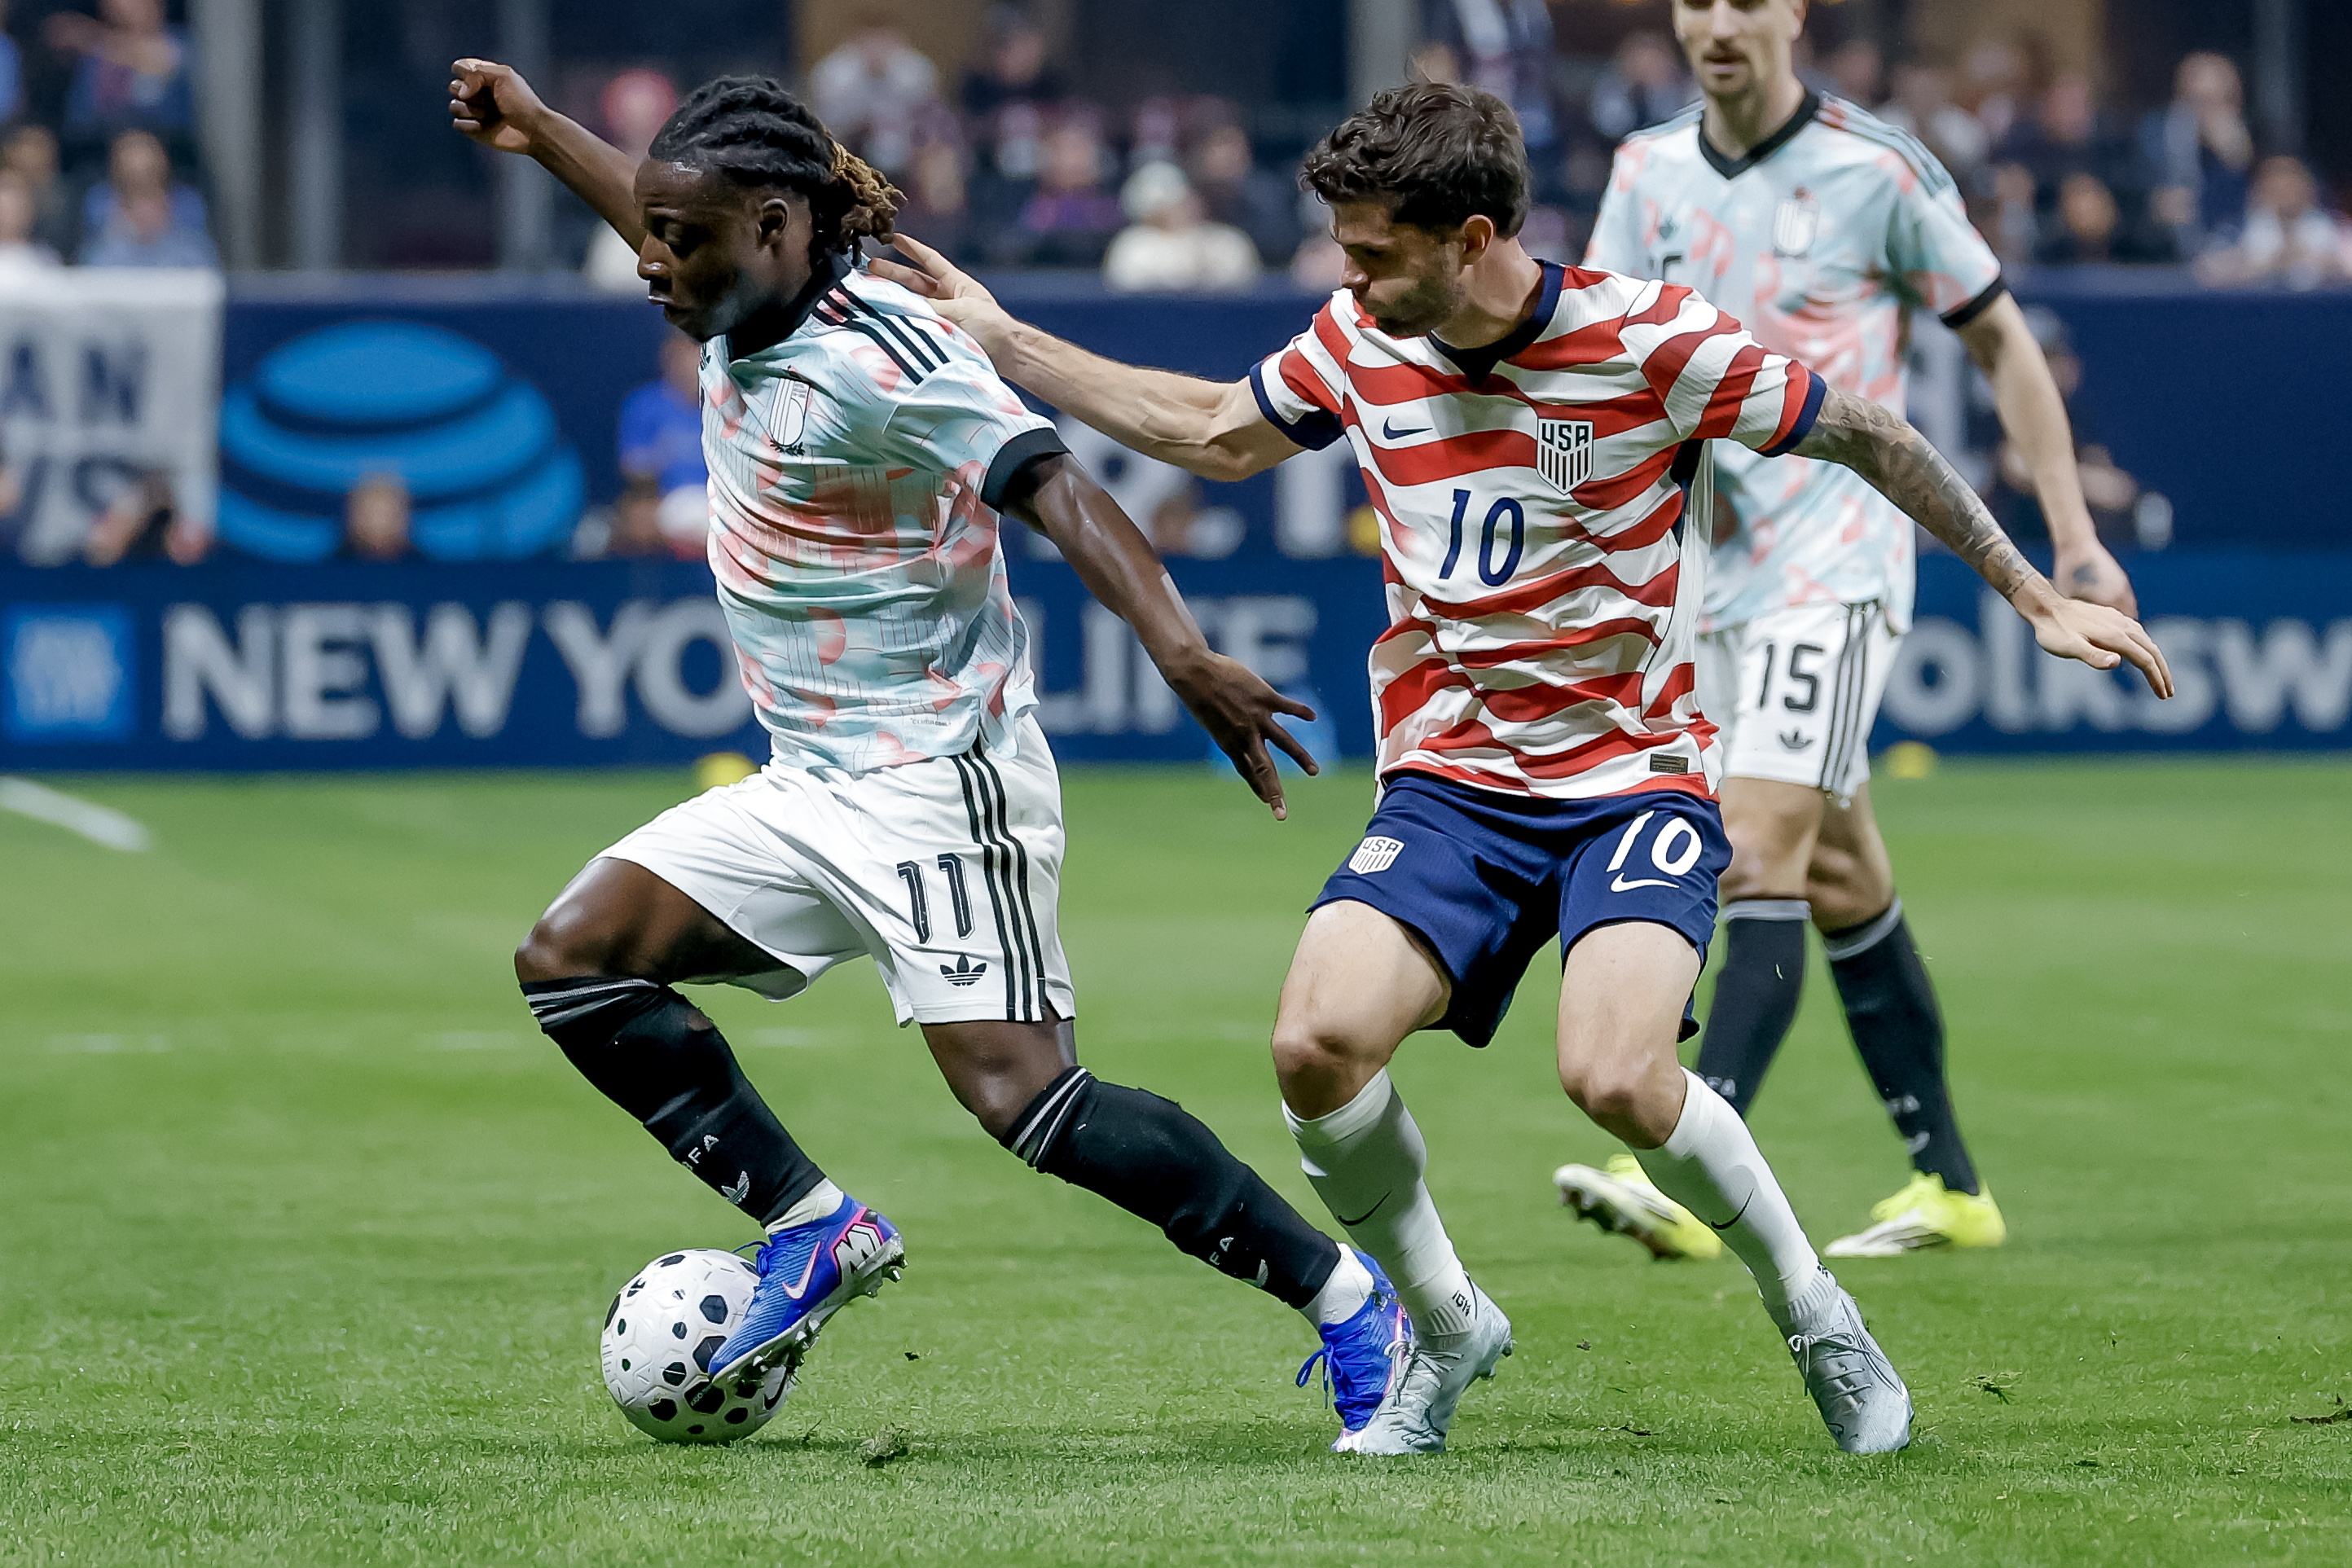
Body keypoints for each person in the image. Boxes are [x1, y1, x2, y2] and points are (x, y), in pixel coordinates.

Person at [877, 81, 2170, 1456]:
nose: (1345, 276)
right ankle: (1446, 1327)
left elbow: (1873, 434)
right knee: (1313, 1048)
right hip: (1451, 783)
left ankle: (1814, 1311)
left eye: (1371, 252)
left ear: (1472, 233)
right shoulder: (1357, 341)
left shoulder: (1648, 342)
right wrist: (1005, 337)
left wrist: (2031, 593)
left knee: (1613, 1077)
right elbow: (1209, 430)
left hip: (1632, 778)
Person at [445, 60, 1413, 1438]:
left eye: (683, 239)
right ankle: (813, 1226)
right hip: (808, 781)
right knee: (573, 958)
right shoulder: (729, 277)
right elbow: (658, 203)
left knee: (1029, 1103)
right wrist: (542, 133)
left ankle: (1345, 1298)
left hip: (938, 784)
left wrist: (1180, 651)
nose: (653, 262)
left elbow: (1056, 486)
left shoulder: (881, 355)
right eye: (653, 234)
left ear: (777, 227)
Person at [1562, 0, 2146, 1264]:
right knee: (1837, 871)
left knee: (1753, 842)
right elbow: (1599, 359)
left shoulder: (1872, 168)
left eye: (1742, 0)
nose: (1715, 23)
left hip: (1837, 557)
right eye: (1692, 0)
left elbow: (2002, 341)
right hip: (1703, 570)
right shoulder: (1641, 172)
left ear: (1790, 15)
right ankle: (1950, 1188)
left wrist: (2072, 538)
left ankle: (1685, 1160)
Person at [2140, 52, 2253, 258]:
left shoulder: (2254, 146)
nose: (2204, 112)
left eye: (2215, 102)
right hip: (2164, 259)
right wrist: (2155, 205)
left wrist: (2235, 159)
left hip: (2232, 260)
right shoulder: (2154, 135)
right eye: (2196, 101)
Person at [617, 330, 710, 558]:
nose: (693, 360)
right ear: (670, 355)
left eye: (699, 351)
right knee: (637, 519)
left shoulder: (728, 403)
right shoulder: (644, 404)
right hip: (666, 503)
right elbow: (635, 469)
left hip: (721, 504)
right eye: (687, 351)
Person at [47, 0, 194, 144]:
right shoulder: (95, 59)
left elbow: (163, 58)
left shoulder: (183, 42)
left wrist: (93, 37)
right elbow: (80, 120)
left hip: (177, 146)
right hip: (106, 148)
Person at [1101, 161, 1260, 294]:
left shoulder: (1228, 242)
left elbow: (1244, 290)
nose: (1181, 209)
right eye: (1165, 206)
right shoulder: (1133, 246)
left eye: (1183, 200)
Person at [2197, 156, 2352, 290]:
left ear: (2308, 188)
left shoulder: (2335, 228)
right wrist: (2260, 264)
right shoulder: (2236, 230)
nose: (2285, 193)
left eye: (2292, 184)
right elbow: (2206, 272)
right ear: (2260, 189)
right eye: (2276, 184)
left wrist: (2330, 265)